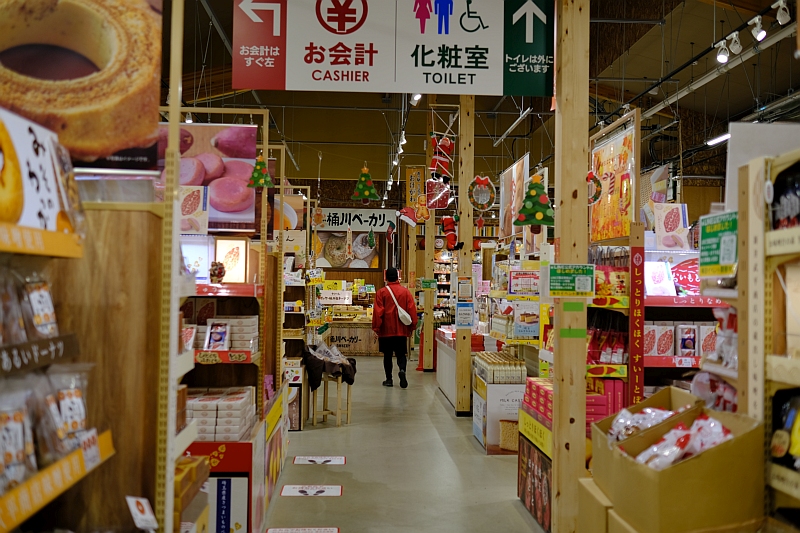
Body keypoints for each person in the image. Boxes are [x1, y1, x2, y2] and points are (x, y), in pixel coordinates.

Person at [372, 267, 418, 388]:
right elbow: (412, 310)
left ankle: (389, 379)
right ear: (397, 277)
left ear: (386, 278)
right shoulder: (405, 292)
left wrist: (376, 328)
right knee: (401, 354)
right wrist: (412, 326)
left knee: (387, 355)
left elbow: (378, 312)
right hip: (401, 330)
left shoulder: (381, 292)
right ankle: (402, 370)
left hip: (386, 331)